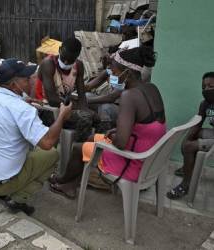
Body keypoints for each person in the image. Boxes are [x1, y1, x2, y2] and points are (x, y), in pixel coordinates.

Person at [48, 46, 166, 198]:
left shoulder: (129, 96)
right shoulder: (151, 87)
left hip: (133, 161)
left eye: (114, 70)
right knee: (91, 139)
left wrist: (112, 135)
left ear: (127, 73)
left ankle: (67, 183)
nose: (111, 73)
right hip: (149, 151)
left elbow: (121, 143)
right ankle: (67, 182)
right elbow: (142, 125)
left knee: (78, 149)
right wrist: (115, 133)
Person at [0, 59, 72, 215]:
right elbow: (47, 142)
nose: (31, 80)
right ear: (13, 85)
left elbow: (9, 110)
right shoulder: (22, 110)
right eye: (26, 79)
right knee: (51, 154)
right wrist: (62, 116)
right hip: (1, 182)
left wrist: (24, 101)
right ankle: (18, 199)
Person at [36, 37, 99, 142]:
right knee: (85, 118)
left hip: (64, 107)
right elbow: (52, 100)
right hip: (46, 109)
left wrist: (85, 109)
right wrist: (79, 109)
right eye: (64, 57)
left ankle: (91, 149)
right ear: (60, 49)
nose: (65, 62)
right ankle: (77, 151)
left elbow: (82, 95)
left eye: (70, 60)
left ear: (77, 57)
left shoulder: (78, 65)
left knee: (98, 118)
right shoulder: (48, 64)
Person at [167, 72, 214, 199]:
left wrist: (189, 145)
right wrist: (187, 140)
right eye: (204, 87)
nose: (206, 89)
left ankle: (186, 185)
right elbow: (198, 124)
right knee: (188, 141)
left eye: (210, 86)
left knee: (189, 147)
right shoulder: (205, 104)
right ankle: (188, 167)